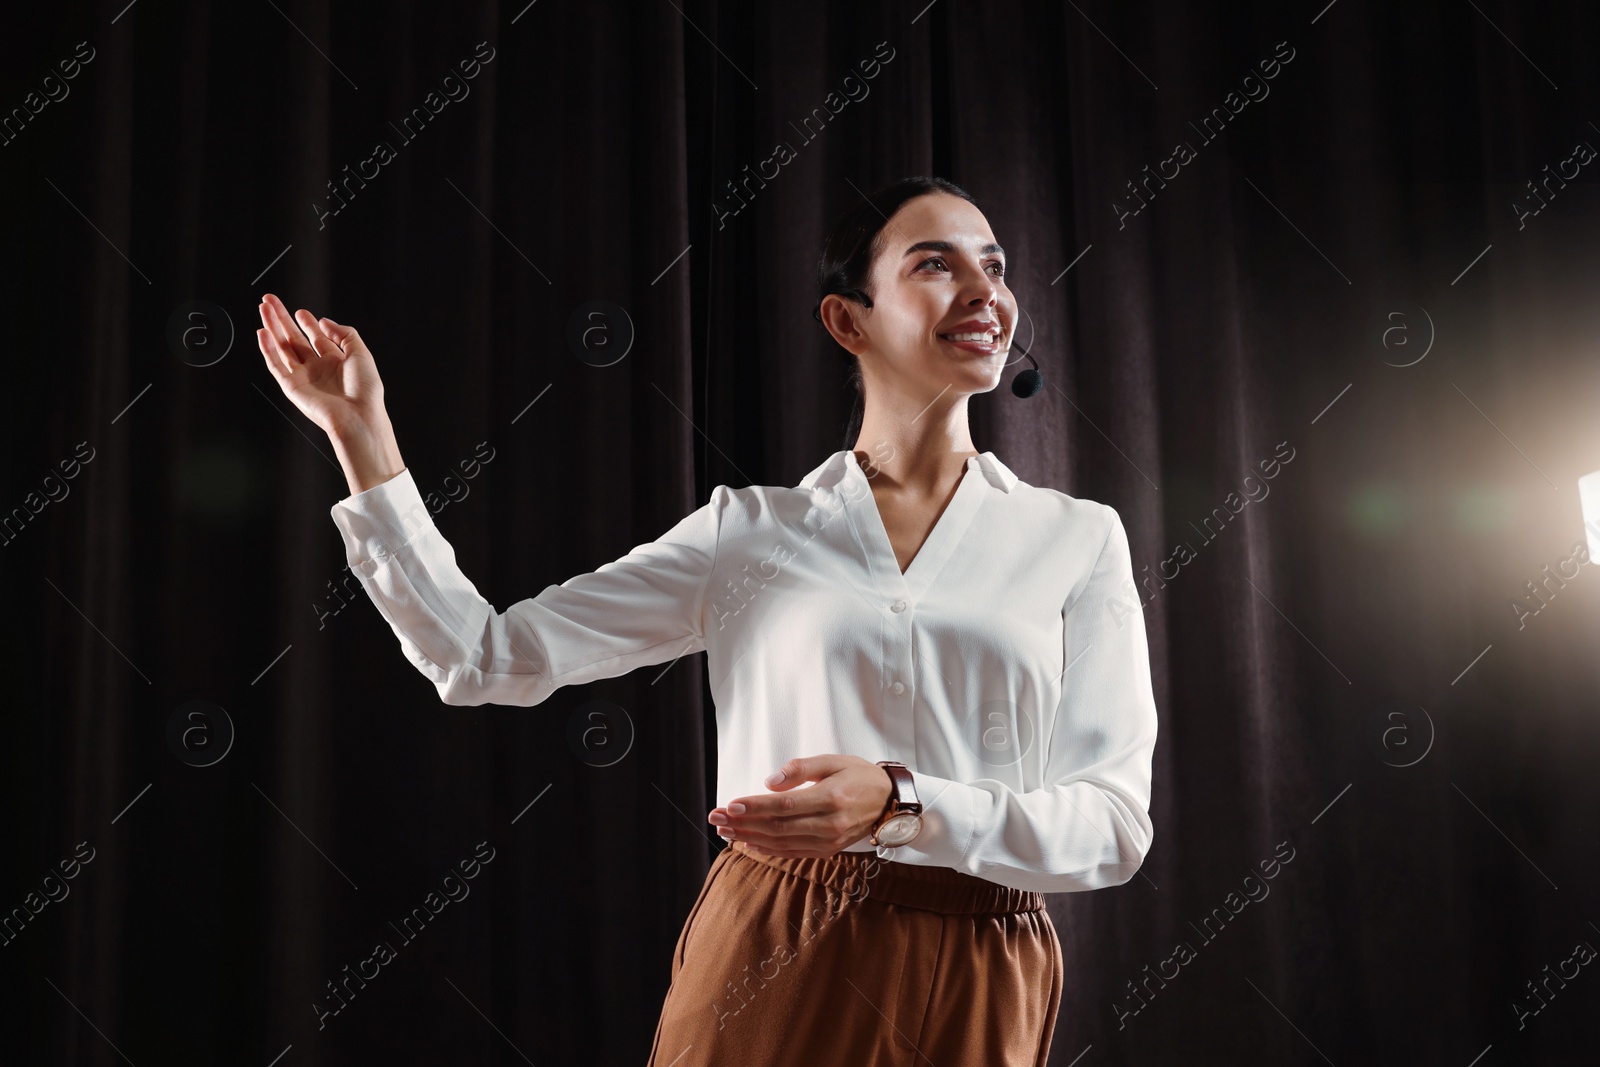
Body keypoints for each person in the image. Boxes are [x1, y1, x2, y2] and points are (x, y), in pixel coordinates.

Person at [255, 175, 1159, 1067]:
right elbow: (482, 654)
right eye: (935, 264)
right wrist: (361, 432)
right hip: (780, 937)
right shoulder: (750, 533)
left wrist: (903, 803)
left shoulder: (1078, 539)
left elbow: (1115, 826)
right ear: (848, 320)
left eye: (994, 265)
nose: (983, 290)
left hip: (986, 962)